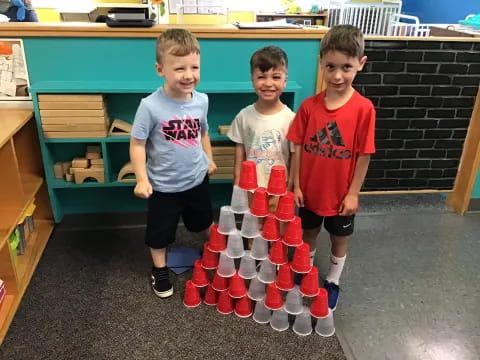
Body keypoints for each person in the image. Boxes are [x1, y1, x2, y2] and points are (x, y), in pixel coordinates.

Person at [287, 25, 376, 311]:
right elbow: (298, 146)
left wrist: (353, 194)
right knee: (308, 234)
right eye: (331, 66)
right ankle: (304, 272)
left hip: (341, 196)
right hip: (310, 192)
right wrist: (297, 184)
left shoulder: (364, 109)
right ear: (321, 64)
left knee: (340, 237)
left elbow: (364, 155)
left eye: (346, 67)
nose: (337, 75)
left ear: (360, 64)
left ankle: (333, 280)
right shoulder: (309, 107)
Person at [130, 29, 216, 298]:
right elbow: (137, 143)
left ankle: (218, 255)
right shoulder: (150, 106)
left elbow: (203, 132)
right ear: (160, 69)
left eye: (194, 67)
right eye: (179, 68)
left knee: (204, 222)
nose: (188, 75)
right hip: (164, 187)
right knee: (159, 234)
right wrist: (142, 179)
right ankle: (160, 270)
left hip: (196, 179)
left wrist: (209, 158)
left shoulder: (201, 100)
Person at [227, 45, 295, 207]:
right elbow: (240, 151)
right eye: (261, 77)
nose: (268, 83)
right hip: (250, 186)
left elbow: (294, 157)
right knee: (253, 226)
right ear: (252, 79)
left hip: (279, 188)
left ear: (285, 80)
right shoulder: (244, 116)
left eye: (276, 77)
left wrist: (290, 187)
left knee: (276, 227)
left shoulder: (291, 119)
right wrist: (237, 180)